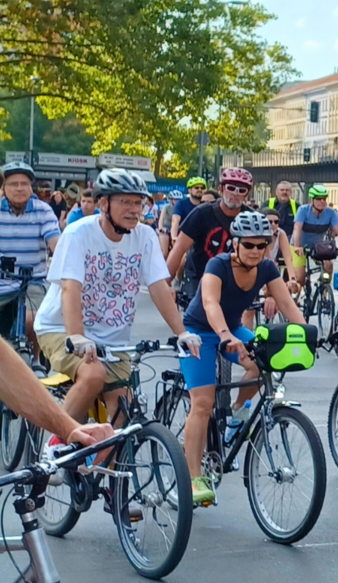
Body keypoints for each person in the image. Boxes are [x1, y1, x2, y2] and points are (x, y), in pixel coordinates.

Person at [33, 170, 201, 446]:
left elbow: (159, 287)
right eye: (126, 202)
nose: (135, 210)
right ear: (103, 204)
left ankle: (107, 480)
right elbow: (70, 288)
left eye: (139, 203)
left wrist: (182, 332)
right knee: (93, 374)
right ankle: (55, 445)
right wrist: (76, 335)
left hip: (112, 341)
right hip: (60, 328)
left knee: (124, 408)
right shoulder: (79, 233)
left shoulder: (145, 236)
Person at [179, 212, 305, 505]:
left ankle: (238, 413)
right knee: (202, 403)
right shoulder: (217, 264)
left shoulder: (266, 268)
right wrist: (224, 335)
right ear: (235, 243)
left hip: (234, 329)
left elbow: (287, 303)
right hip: (199, 331)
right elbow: (210, 303)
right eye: (248, 245)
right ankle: (193, 477)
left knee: (265, 363)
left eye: (261, 245)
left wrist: (306, 331)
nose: (255, 251)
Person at [166, 167, 254, 306]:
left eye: (241, 190)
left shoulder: (252, 218)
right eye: (231, 188)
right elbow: (179, 248)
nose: (235, 194)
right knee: (199, 315)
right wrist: (166, 284)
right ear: (221, 189)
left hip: (234, 276)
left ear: (247, 194)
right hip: (199, 274)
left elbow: (264, 258)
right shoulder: (202, 213)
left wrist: (270, 294)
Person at [0, 161, 60, 355]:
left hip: (33, 282)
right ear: (4, 187)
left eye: (24, 183)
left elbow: (56, 246)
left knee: (31, 321)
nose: (19, 188)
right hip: (2, 281)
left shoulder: (43, 210)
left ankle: (34, 362)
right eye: (13, 184)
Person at [292, 183, 338, 279]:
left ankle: (324, 290)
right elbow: (297, 228)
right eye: (318, 199)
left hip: (318, 247)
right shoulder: (303, 210)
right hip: (300, 247)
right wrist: (296, 246)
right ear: (312, 200)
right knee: (300, 278)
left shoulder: (331, 213)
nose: (322, 201)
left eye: (324, 199)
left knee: (328, 265)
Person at [170, 176, 206, 241]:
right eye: (196, 188)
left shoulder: (207, 205)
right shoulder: (181, 203)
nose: (200, 190)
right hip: (184, 237)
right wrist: (174, 236)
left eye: (202, 188)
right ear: (189, 190)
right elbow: (175, 220)